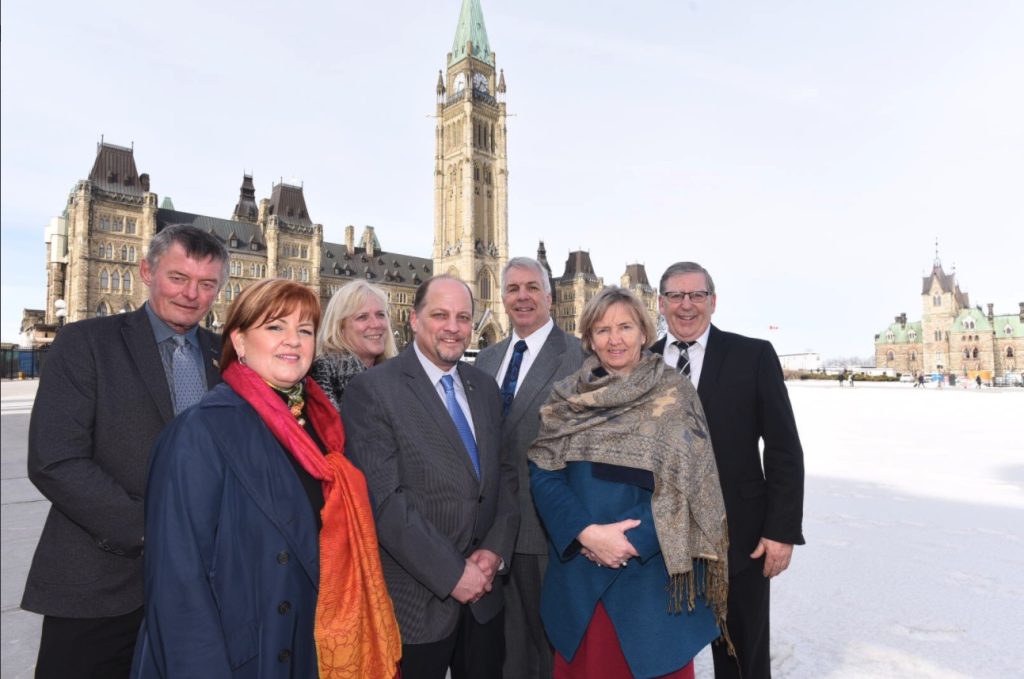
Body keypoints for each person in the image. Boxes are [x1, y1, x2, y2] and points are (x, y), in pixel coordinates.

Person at [131, 278, 400, 678]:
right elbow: (177, 584)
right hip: (245, 654)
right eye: (275, 326)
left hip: (312, 645)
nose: (293, 341)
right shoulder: (200, 431)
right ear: (239, 341)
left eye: (304, 330)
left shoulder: (322, 426)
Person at [22, 224, 227, 678]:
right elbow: (56, 459)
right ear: (147, 272)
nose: (191, 294)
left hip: (204, 591)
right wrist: (155, 530)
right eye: (178, 278)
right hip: (101, 583)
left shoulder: (229, 357)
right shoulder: (87, 343)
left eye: (206, 284)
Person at [528, 286, 729, 679]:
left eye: (625, 327)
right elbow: (544, 471)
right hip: (580, 574)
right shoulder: (567, 397)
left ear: (644, 332)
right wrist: (586, 533)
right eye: (602, 330)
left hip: (651, 582)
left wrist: (630, 541)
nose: (614, 339)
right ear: (589, 338)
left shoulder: (674, 394)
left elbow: (692, 483)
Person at [341, 275, 519, 679]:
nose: (453, 327)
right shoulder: (372, 389)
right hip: (416, 604)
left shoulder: (484, 387)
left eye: (463, 317)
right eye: (440, 315)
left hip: (485, 600)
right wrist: (453, 574)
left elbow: (505, 476)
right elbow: (386, 502)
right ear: (414, 319)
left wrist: (495, 550)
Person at [651, 261, 805, 679]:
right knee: (660, 659)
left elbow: (784, 450)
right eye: (676, 296)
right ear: (661, 303)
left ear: (713, 302)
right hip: (658, 545)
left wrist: (781, 531)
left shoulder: (752, 356)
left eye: (697, 295)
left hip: (739, 541)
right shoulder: (642, 363)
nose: (686, 305)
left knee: (740, 661)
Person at [475, 257, 584, 679]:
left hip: (545, 531)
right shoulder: (486, 360)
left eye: (532, 288)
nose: (522, 297)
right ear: (502, 298)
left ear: (550, 298)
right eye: (513, 289)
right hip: (487, 534)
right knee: (504, 654)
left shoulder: (577, 356)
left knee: (548, 652)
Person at [311, 279, 399, 411]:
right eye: (362, 317)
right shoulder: (324, 372)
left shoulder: (396, 375)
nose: (376, 324)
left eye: (380, 315)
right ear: (340, 327)